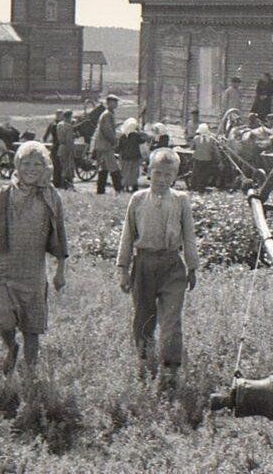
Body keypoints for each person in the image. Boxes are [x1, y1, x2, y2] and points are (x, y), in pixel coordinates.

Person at [0, 142, 68, 377]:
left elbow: (60, 234)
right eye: (26, 163)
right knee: (5, 322)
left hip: (34, 273)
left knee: (32, 328)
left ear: (46, 167)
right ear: (17, 164)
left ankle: (30, 374)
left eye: (38, 164)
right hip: (7, 270)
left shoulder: (51, 196)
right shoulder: (5, 194)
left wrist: (61, 269)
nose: (31, 168)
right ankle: (11, 348)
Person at [117, 148, 199, 386]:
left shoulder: (181, 200)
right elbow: (127, 235)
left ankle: (171, 367)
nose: (162, 179)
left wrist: (192, 267)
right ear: (149, 172)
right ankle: (144, 360)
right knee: (143, 316)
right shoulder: (138, 199)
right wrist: (123, 268)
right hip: (143, 264)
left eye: (168, 175)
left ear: (175, 177)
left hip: (172, 265)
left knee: (171, 319)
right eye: (158, 173)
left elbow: (190, 234)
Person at [91, 94, 122, 195]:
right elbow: (107, 131)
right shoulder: (107, 115)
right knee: (114, 168)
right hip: (106, 146)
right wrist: (114, 141)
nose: (116, 104)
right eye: (114, 102)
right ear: (109, 103)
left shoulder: (109, 114)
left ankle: (100, 190)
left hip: (103, 146)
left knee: (103, 168)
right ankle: (118, 189)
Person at [117, 117, 148, 192]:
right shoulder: (136, 136)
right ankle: (134, 186)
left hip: (125, 157)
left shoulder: (123, 136)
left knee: (125, 172)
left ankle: (124, 186)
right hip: (135, 157)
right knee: (134, 173)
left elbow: (119, 147)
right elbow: (143, 140)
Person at [190, 124, 217, 192]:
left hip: (197, 159)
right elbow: (214, 150)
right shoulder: (211, 139)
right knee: (204, 174)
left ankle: (194, 187)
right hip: (208, 160)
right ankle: (202, 187)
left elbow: (192, 148)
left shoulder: (196, 139)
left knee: (196, 173)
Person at [42, 110, 64, 187]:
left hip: (55, 145)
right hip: (57, 146)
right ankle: (58, 182)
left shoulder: (52, 124)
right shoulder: (57, 125)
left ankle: (57, 181)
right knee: (58, 165)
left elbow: (46, 135)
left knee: (57, 165)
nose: (60, 116)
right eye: (59, 115)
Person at [56, 111, 76, 188]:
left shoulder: (59, 125)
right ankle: (67, 185)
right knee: (68, 168)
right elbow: (69, 140)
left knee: (63, 167)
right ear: (69, 117)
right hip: (67, 148)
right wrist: (72, 150)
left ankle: (63, 184)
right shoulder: (68, 126)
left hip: (61, 147)